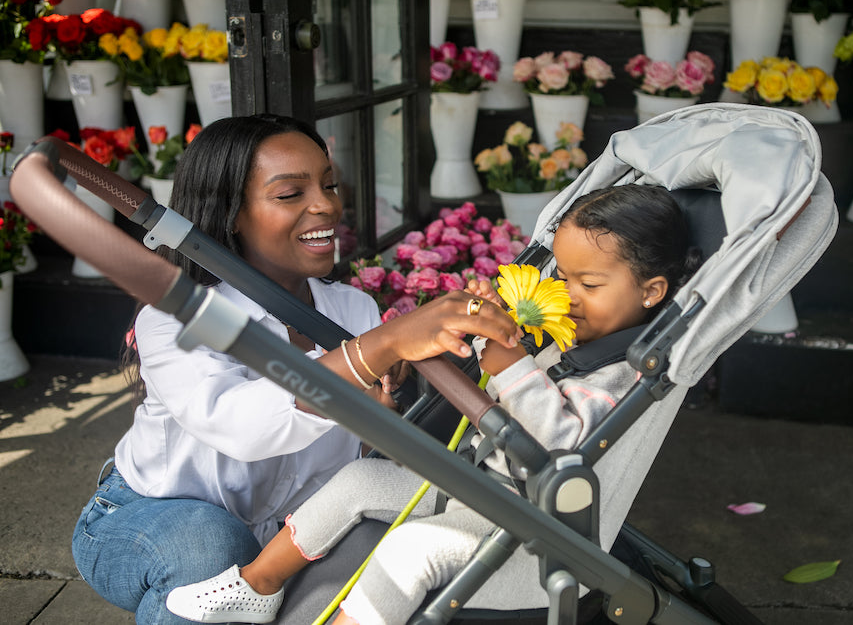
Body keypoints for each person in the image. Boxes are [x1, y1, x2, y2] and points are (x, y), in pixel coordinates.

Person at [165, 183, 702, 625]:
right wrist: (494, 345)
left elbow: (562, 450)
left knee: (408, 552)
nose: (567, 293)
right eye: (561, 276)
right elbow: (502, 400)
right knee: (357, 482)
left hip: (533, 541)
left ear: (652, 291)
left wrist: (512, 369)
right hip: (481, 494)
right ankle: (257, 587)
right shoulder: (570, 339)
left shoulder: (622, 375)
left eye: (588, 282)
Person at [70, 114, 522, 625]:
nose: (326, 204)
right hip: (145, 519)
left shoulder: (353, 312)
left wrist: (382, 420)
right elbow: (242, 427)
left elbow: (356, 465)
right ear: (231, 213)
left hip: (286, 536)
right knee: (213, 549)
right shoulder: (177, 315)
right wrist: (383, 345)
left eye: (329, 185)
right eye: (290, 194)